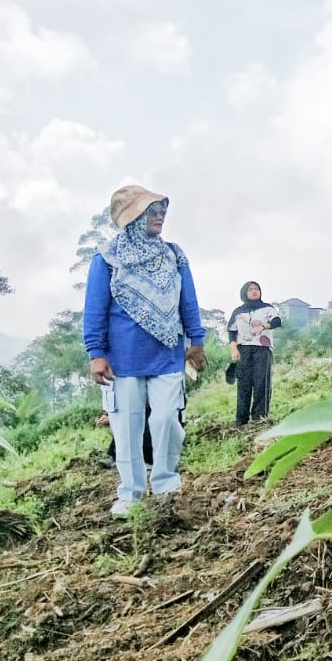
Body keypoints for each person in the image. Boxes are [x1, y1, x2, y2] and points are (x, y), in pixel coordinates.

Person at [83, 186, 207, 517]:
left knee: (167, 419)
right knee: (127, 428)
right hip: (121, 362)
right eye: (152, 211)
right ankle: (131, 492)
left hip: (167, 354)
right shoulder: (107, 260)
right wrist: (96, 353)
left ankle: (166, 484)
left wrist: (197, 340)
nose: (160, 217)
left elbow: (188, 301)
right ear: (134, 218)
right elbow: (95, 310)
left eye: (162, 211)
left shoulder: (174, 255)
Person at [227, 280, 281, 425]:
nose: (254, 291)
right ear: (245, 292)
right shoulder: (238, 312)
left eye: (256, 289)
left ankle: (259, 417)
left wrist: (263, 326)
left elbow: (277, 322)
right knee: (244, 383)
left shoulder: (267, 308)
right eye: (250, 289)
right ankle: (241, 419)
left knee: (261, 382)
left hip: (262, 348)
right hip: (243, 349)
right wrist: (234, 349)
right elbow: (232, 332)